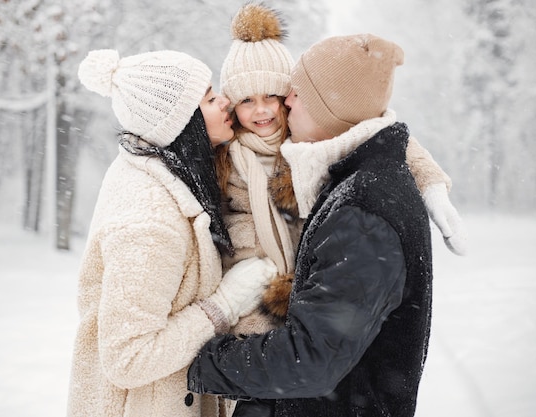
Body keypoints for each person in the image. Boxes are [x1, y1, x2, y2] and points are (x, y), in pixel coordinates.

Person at [188, 33, 443, 417]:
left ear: (331, 110)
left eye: (297, 94)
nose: (286, 102)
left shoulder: (363, 211)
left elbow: (310, 361)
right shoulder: (354, 179)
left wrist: (200, 361)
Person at [214, 4, 465, 336]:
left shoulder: (308, 133)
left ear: (288, 96)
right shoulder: (227, 152)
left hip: (314, 273)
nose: (261, 110)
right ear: (232, 104)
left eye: (271, 96)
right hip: (252, 279)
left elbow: (379, 133)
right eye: (246, 100)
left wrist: (432, 186)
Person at [66, 49, 278, 417]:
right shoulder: (150, 222)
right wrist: (223, 306)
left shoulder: (155, 171)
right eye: (210, 98)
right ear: (182, 123)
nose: (225, 101)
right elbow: (128, 357)